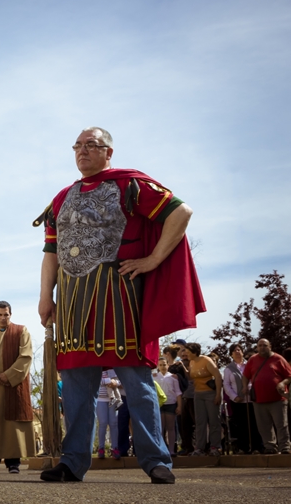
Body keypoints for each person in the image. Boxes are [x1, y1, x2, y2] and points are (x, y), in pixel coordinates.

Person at [35, 127, 205, 485]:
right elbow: (51, 252)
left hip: (120, 297)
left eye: (91, 145)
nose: (82, 151)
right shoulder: (62, 197)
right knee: (77, 387)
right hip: (72, 303)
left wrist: (153, 259)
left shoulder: (131, 185)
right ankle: (72, 462)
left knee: (137, 383)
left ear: (108, 152)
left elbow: (181, 212)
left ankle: (156, 461)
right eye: (77, 146)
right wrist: (45, 296)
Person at [0, 301, 35, 474]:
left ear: (11, 314)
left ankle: (13, 463)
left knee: (12, 424)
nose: (3, 318)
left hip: (13, 385)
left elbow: (25, 356)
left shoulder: (21, 331)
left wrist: (8, 376)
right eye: (0, 314)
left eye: (6, 314)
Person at [241, 339, 291, 454]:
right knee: (263, 425)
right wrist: (244, 386)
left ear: (270, 346)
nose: (262, 347)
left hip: (278, 399)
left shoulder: (278, 359)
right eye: (260, 346)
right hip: (259, 399)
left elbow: (289, 376)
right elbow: (245, 376)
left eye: (265, 345)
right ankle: (270, 446)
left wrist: (282, 383)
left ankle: (285, 446)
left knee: (281, 424)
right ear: (257, 347)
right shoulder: (252, 360)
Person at [223, 343, 262, 454]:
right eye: (234, 350)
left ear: (242, 351)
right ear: (231, 354)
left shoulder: (249, 364)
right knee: (241, 425)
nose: (237, 352)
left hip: (251, 399)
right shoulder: (228, 368)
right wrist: (234, 397)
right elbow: (226, 385)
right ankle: (243, 447)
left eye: (239, 349)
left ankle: (256, 447)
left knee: (254, 423)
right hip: (238, 401)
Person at [185, 343, 223, 455]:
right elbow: (192, 376)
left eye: (187, 352)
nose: (186, 354)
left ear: (194, 352)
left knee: (213, 420)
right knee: (200, 422)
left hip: (210, 394)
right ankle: (199, 448)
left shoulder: (206, 360)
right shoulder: (191, 362)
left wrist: (218, 395)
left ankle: (215, 447)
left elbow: (218, 376)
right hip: (198, 394)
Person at [154, 357, 182, 456]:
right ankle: (162, 450)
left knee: (171, 427)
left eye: (164, 364)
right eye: (160, 365)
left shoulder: (173, 377)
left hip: (171, 404)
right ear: (157, 366)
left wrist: (179, 406)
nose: (162, 367)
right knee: (160, 428)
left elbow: (178, 392)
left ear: (168, 365)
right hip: (159, 404)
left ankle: (171, 450)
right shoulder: (154, 377)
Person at [97, 369, 121, 459]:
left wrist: (116, 383)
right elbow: (95, 380)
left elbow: (120, 380)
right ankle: (101, 448)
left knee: (113, 423)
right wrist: (109, 381)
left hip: (113, 399)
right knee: (103, 423)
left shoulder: (113, 368)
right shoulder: (97, 368)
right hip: (100, 399)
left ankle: (115, 448)